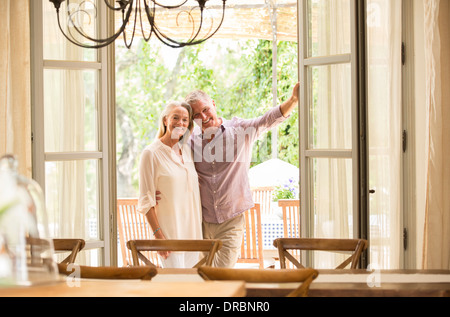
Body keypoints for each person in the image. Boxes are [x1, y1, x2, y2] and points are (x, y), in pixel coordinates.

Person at [185, 83, 300, 267]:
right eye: (196, 115)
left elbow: (266, 120)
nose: (203, 117)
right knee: (198, 277)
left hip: (231, 221)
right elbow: (168, 159)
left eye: (206, 109)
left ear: (213, 104)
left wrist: (293, 100)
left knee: (221, 275)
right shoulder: (189, 141)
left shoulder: (239, 131)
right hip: (200, 221)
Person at [137, 100, 203, 268]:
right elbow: (146, 201)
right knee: (175, 289)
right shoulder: (151, 154)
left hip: (193, 235)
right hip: (170, 235)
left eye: (185, 120)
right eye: (175, 117)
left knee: (192, 289)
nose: (180, 123)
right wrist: (159, 236)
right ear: (165, 120)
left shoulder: (187, 150)